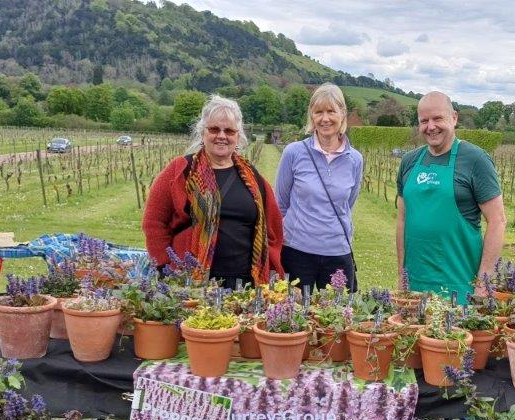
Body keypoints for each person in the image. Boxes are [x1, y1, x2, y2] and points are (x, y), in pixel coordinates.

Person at [142, 95, 284, 288]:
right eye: (214, 129)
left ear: (238, 136)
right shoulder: (181, 171)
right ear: (203, 133)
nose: (222, 135)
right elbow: (154, 222)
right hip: (190, 281)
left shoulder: (253, 178)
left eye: (229, 131)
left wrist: (273, 267)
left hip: (244, 282)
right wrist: (163, 266)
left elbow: (272, 228)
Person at [396, 91, 507, 303]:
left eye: (438, 118)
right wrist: (401, 275)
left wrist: (483, 282)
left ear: (454, 118)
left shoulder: (475, 160)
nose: (431, 126)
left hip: (460, 284)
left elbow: (497, 221)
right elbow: (402, 220)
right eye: (424, 121)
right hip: (415, 285)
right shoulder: (409, 162)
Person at [275, 83, 362, 293]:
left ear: (342, 114)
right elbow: (281, 204)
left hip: (338, 252)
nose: (325, 119)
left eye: (331, 111)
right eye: (318, 112)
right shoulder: (293, 153)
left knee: (338, 318)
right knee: (292, 317)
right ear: (311, 116)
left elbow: (347, 205)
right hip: (296, 251)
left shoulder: (355, 159)